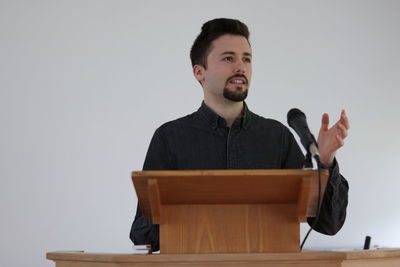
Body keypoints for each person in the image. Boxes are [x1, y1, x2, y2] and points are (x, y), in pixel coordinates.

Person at [130, 18, 349, 251]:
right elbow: (143, 234)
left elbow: (328, 223)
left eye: (247, 59)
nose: (241, 67)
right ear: (199, 72)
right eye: (228, 58)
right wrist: (188, 207)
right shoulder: (170, 138)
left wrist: (325, 162)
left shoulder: (277, 137)